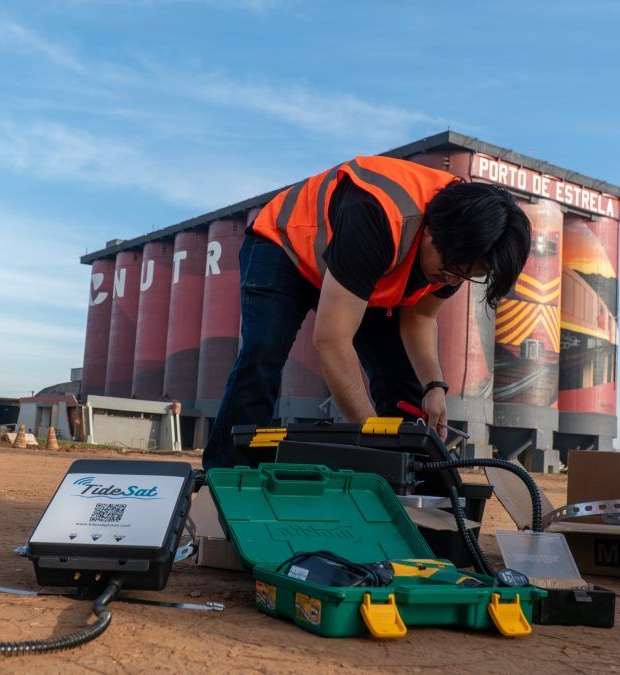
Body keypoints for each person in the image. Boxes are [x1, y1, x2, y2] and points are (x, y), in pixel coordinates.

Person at [202, 155, 531, 469]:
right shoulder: (379, 216)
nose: (453, 280)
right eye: (453, 269)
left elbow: (421, 318)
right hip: (286, 245)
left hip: (366, 269)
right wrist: (373, 435)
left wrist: (434, 387)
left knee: (403, 383)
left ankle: (412, 478)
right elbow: (332, 340)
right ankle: (228, 471)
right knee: (264, 352)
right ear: (430, 232)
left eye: (467, 275)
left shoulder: (465, 245)